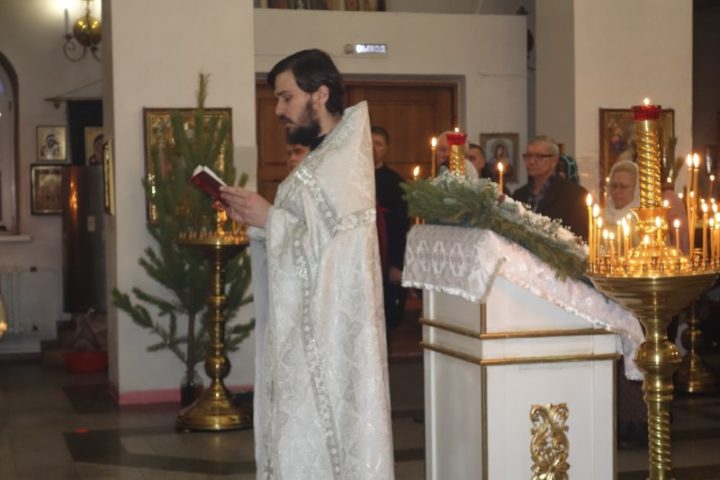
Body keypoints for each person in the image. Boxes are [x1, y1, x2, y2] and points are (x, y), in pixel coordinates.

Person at [220, 49, 394, 479]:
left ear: (320, 94)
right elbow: (308, 235)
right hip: (304, 330)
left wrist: (270, 219)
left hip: (328, 338)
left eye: (286, 98)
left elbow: (339, 254)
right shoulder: (321, 158)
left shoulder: (340, 165)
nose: (278, 110)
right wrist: (261, 222)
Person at [371, 125, 409, 338]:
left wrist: (397, 264)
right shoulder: (353, 178)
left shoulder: (396, 183)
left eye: (378, 144)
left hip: (387, 258)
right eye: (368, 143)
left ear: (386, 149)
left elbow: (402, 227)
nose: (373, 148)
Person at [512, 136, 589, 241]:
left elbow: (581, 237)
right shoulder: (519, 195)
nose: (531, 161)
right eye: (528, 156)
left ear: (554, 161)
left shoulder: (574, 195)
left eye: (539, 157)